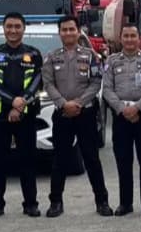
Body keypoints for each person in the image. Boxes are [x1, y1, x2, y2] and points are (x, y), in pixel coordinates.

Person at [42, 15, 112, 217]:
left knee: (91, 158)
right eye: (64, 30)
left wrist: (79, 103)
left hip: (86, 113)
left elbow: (96, 82)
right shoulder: (51, 57)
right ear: (59, 33)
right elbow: (48, 84)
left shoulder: (91, 56)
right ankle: (55, 202)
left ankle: (102, 202)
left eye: (71, 29)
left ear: (78, 31)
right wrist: (64, 104)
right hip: (62, 113)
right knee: (60, 160)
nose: (68, 33)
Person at [0, 12, 43, 219]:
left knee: (27, 161)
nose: (13, 30)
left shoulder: (34, 54)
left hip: (26, 116)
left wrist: (20, 106)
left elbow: (37, 83)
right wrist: (11, 103)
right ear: (4, 28)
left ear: (24, 29)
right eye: (9, 26)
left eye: (17, 26)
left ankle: (31, 204)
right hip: (0, 117)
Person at [102, 23, 141, 216]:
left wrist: (138, 107)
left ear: (138, 38)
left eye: (132, 36)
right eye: (125, 36)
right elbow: (107, 89)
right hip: (121, 117)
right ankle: (125, 203)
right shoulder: (111, 61)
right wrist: (122, 109)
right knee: (123, 162)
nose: (129, 40)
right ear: (120, 39)